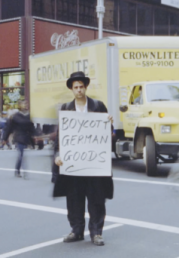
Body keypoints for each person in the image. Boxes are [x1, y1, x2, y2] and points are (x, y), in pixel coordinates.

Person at [53, 71, 114, 246]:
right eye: (75, 87)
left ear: (86, 87)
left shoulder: (98, 106)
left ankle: (96, 233)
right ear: (72, 89)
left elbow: (109, 134)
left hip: (94, 163)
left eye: (81, 86)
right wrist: (58, 155)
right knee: (74, 199)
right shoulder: (66, 109)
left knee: (96, 199)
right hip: (73, 163)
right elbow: (60, 136)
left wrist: (109, 123)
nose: (79, 90)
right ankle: (77, 231)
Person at [2, 100, 36, 178]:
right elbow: (8, 128)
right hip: (19, 136)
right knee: (21, 154)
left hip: (27, 136)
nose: (26, 105)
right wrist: (5, 138)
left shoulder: (29, 115)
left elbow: (32, 127)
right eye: (24, 104)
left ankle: (19, 170)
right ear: (20, 105)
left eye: (27, 103)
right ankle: (19, 171)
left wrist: (36, 135)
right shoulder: (15, 116)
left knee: (22, 154)